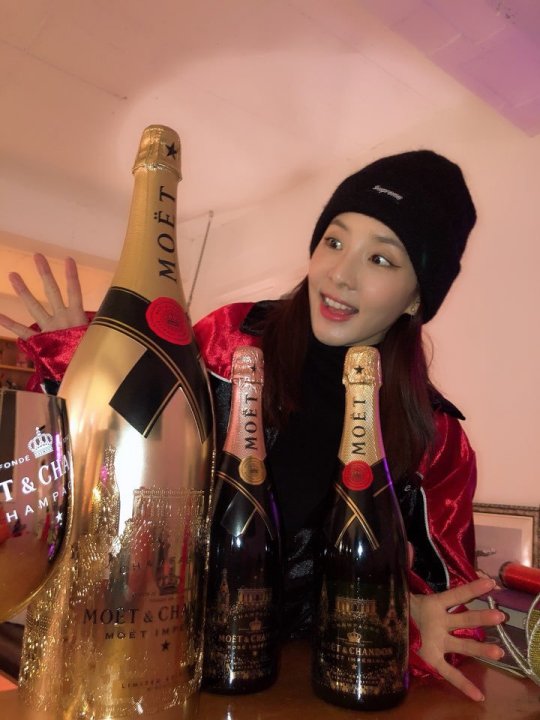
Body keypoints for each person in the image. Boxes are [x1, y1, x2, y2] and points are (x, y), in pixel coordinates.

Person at [0, 150, 506, 702]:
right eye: (334, 241)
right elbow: (113, 454)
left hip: (292, 686)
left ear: (416, 298)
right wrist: (76, 360)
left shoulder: (435, 436)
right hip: (145, 649)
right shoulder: (229, 339)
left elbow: (452, 601)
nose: (339, 274)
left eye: (381, 259)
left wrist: (409, 617)